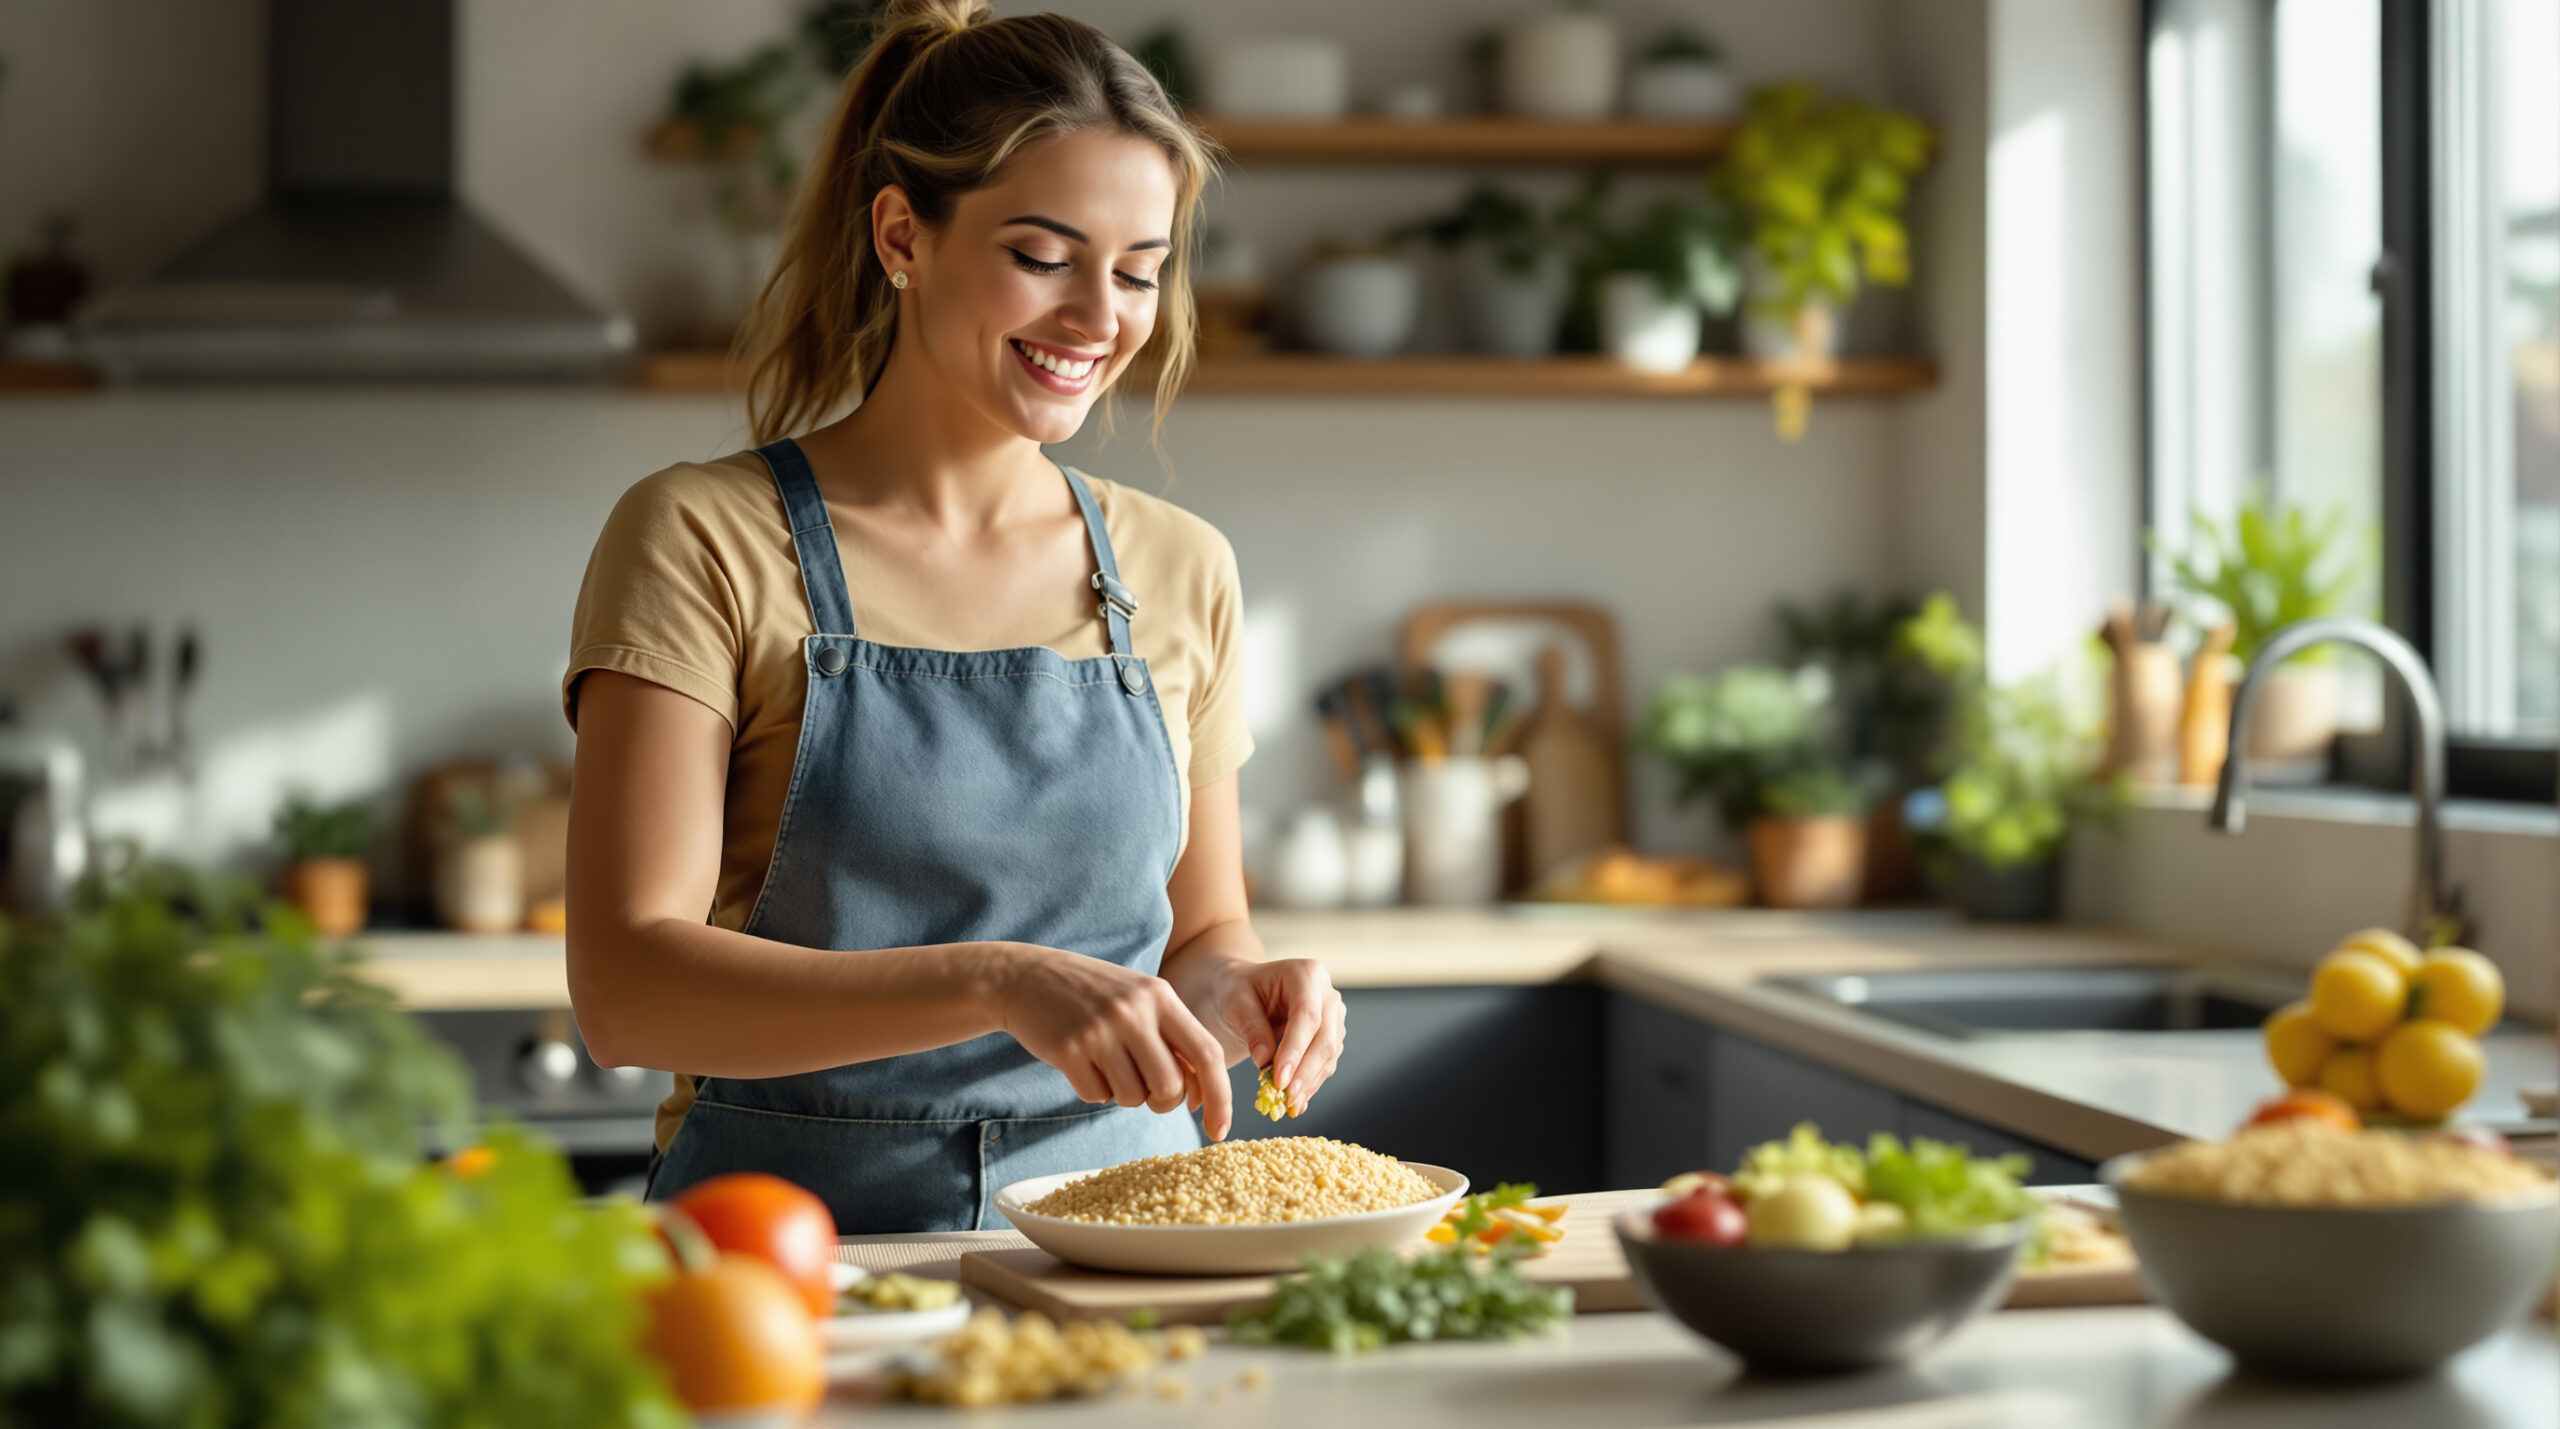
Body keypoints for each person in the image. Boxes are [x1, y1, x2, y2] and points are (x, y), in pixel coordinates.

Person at [560, 0, 1345, 1233]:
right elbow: (626, 990)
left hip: (1127, 1242)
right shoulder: (702, 537)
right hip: (793, 1251)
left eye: (1138, 270)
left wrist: (1242, 985)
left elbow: (1199, 930)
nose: (1100, 318)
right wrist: (993, 981)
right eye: (1043, 256)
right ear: (901, 235)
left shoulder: (1180, 567)